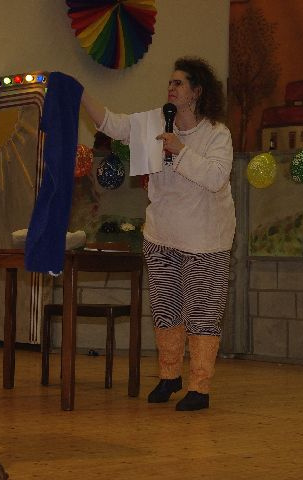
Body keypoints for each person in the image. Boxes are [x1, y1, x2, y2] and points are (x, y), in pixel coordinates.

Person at [80, 57, 234, 411]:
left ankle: (199, 387)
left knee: (202, 313)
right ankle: (169, 376)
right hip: (161, 236)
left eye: (179, 83)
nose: (171, 88)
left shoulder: (216, 133)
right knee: (165, 309)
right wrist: (81, 94)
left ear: (197, 92)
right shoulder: (154, 122)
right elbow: (112, 124)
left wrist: (180, 151)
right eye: (170, 82)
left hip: (205, 239)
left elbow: (216, 178)